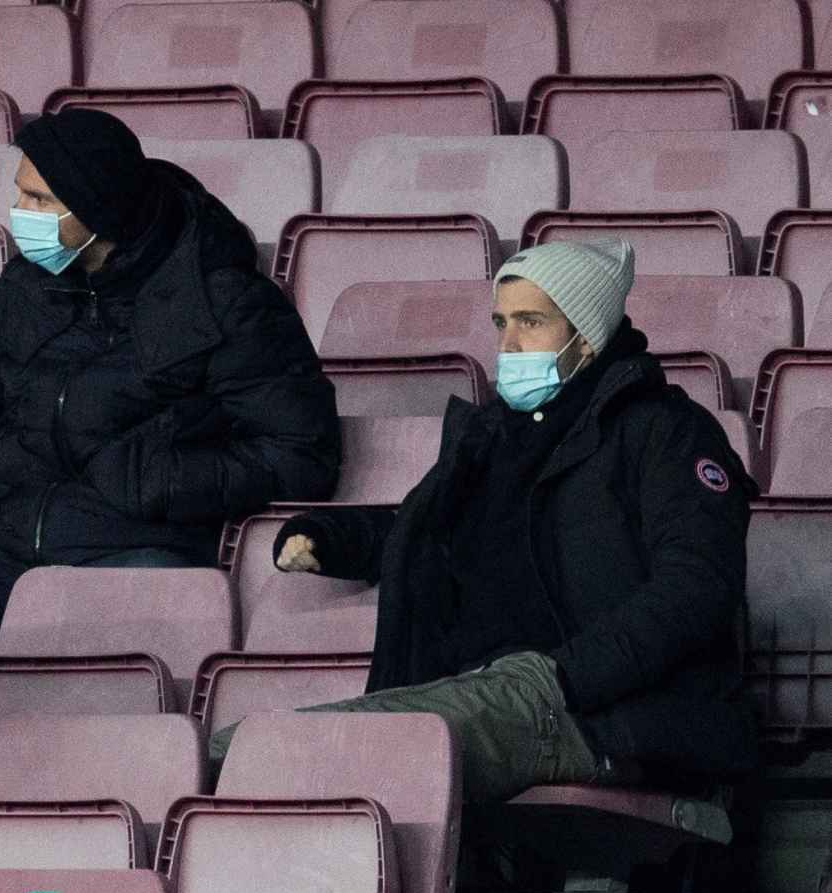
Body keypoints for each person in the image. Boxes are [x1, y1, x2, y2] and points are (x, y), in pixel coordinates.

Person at [212, 239, 758, 804]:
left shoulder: (667, 432)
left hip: (606, 713)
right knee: (243, 748)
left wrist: (564, 676)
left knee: (310, 754)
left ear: (588, 336)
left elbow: (697, 588)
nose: (508, 344)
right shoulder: (499, 436)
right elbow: (433, 530)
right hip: (486, 688)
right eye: (500, 323)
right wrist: (333, 538)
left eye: (531, 321)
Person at [0, 108, 340, 613]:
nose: (19, 215)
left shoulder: (224, 301)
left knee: (79, 631)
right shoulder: (28, 288)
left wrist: (159, 480)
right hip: (6, 552)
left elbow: (302, 455)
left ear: (99, 209)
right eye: (20, 196)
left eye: (40, 202)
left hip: (141, 553)